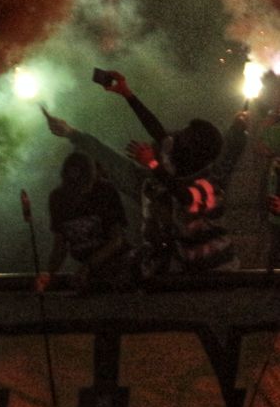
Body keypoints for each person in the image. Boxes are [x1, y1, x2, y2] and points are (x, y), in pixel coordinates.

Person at [100, 71, 240, 274]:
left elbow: (185, 198)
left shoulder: (209, 187)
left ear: (193, 151)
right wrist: (128, 94)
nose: (173, 139)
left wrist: (153, 164)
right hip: (189, 270)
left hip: (219, 274)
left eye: (183, 137)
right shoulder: (181, 163)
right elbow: (157, 130)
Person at [34, 152, 133, 292]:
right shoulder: (58, 198)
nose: (80, 191)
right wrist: (49, 274)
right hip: (90, 271)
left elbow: (117, 240)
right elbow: (60, 246)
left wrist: (88, 266)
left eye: (84, 184)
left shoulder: (106, 191)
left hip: (120, 266)